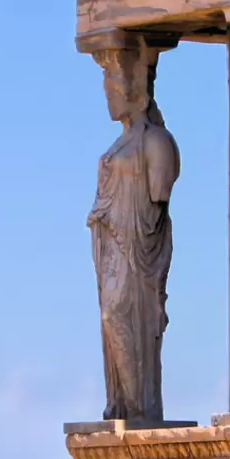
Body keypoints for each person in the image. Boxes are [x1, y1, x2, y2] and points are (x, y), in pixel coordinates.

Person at [88, 42, 180, 422]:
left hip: (136, 250)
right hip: (111, 248)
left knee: (119, 316)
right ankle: (123, 404)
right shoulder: (120, 143)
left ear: (133, 90)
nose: (108, 97)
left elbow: (159, 196)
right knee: (109, 318)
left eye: (113, 89)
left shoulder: (156, 142)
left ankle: (142, 406)